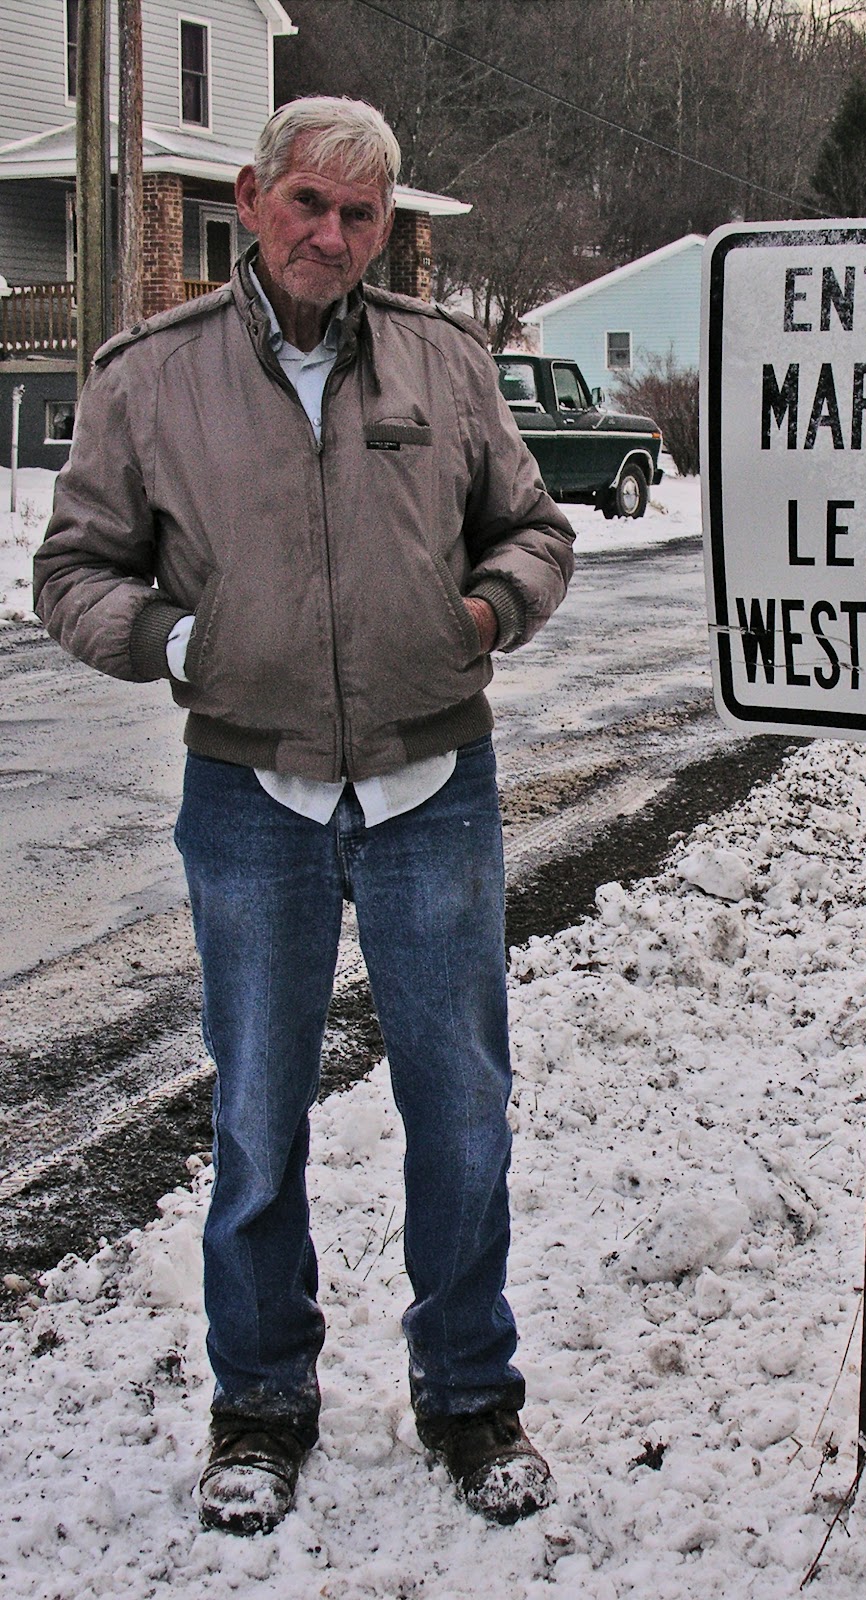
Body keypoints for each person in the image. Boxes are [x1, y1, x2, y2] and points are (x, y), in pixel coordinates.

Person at [33, 96, 575, 1535]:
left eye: (360, 214)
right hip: (250, 795)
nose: (332, 235)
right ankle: (262, 1402)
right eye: (309, 205)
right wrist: (175, 646)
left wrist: (484, 607)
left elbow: (535, 529)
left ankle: (470, 1396)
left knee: (460, 1110)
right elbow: (74, 568)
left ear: (385, 226)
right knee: (259, 1118)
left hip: (429, 786)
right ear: (252, 198)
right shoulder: (152, 379)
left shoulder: (448, 364)